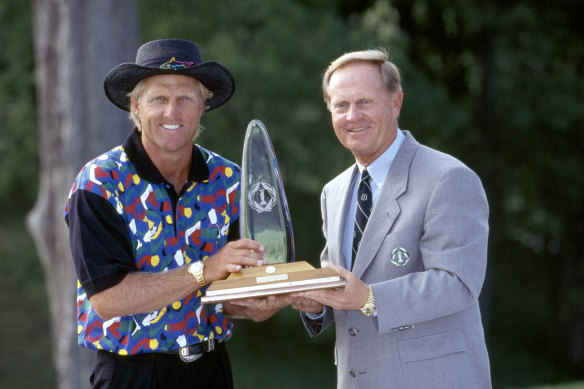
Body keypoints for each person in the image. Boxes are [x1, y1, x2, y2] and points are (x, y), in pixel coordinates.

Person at [64, 38, 283, 389]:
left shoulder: (230, 182)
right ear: (136, 106)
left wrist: (258, 304)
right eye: (159, 99)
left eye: (185, 99)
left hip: (211, 369)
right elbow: (108, 299)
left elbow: (228, 296)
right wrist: (206, 269)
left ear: (203, 106)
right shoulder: (99, 183)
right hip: (131, 374)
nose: (172, 112)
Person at [292, 49, 492, 388]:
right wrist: (315, 303)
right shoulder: (334, 191)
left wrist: (369, 297)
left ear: (396, 102)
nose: (352, 115)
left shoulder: (449, 177)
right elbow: (342, 283)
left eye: (365, 102)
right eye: (341, 105)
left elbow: (459, 283)